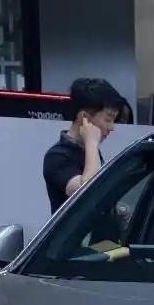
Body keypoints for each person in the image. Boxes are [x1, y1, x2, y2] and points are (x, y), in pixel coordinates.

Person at [42, 78, 126, 214]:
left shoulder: (89, 151)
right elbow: (88, 193)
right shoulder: (57, 156)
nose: (111, 127)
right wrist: (92, 142)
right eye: (108, 119)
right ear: (84, 118)